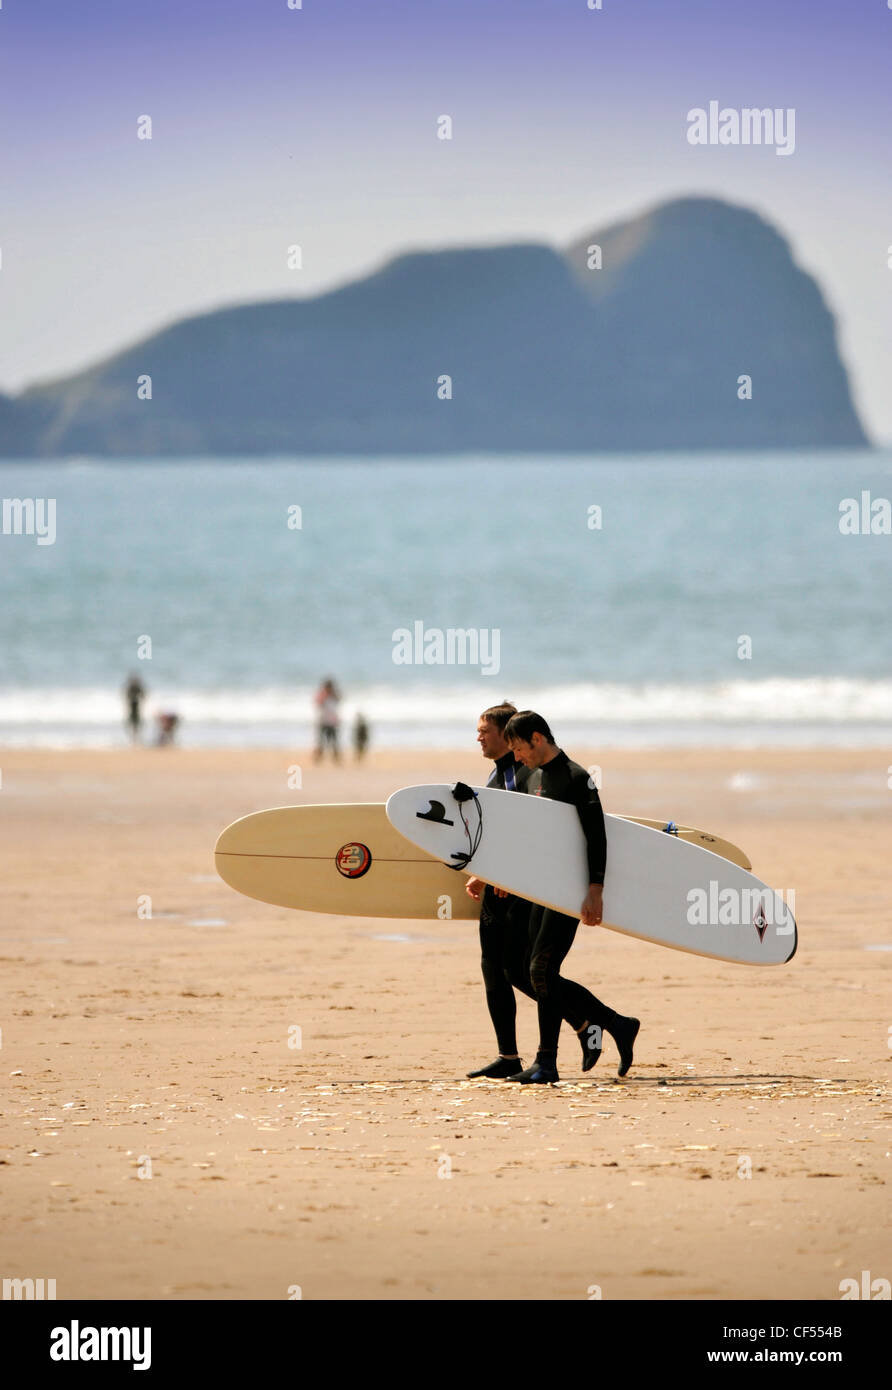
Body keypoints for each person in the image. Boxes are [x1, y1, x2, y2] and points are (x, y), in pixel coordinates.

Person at [502, 710, 640, 1084]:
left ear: (537, 738)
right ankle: (614, 1024)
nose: (516, 757)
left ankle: (547, 1062)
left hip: (569, 890)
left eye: (518, 748)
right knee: (524, 969)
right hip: (539, 889)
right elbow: (529, 836)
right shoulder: (530, 777)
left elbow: (597, 836)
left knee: (541, 970)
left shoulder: (578, 778)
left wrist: (595, 890)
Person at [464, 702, 532, 1079]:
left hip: (514, 891)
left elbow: (521, 833)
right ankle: (508, 1057)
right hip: (498, 886)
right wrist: (482, 873)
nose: (478, 737)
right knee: (494, 969)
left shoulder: (517, 775)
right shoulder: (500, 773)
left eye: (484, 731)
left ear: (506, 736)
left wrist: (500, 876)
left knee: (519, 971)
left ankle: (596, 1019)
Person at [313, 678, 341, 762]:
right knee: (321, 742)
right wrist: (324, 695)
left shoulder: (334, 696)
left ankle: (336, 759)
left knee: (334, 742)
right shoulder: (323, 695)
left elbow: (339, 699)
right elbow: (318, 702)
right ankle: (318, 758)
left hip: (332, 722)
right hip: (324, 722)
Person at [123, 674, 146, 744]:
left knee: (136, 724)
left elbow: (143, 695)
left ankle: (135, 738)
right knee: (132, 723)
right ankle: (133, 739)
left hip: (136, 709)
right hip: (132, 709)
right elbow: (127, 696)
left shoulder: (137, 687)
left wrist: (137, 698)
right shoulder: (131, 687)